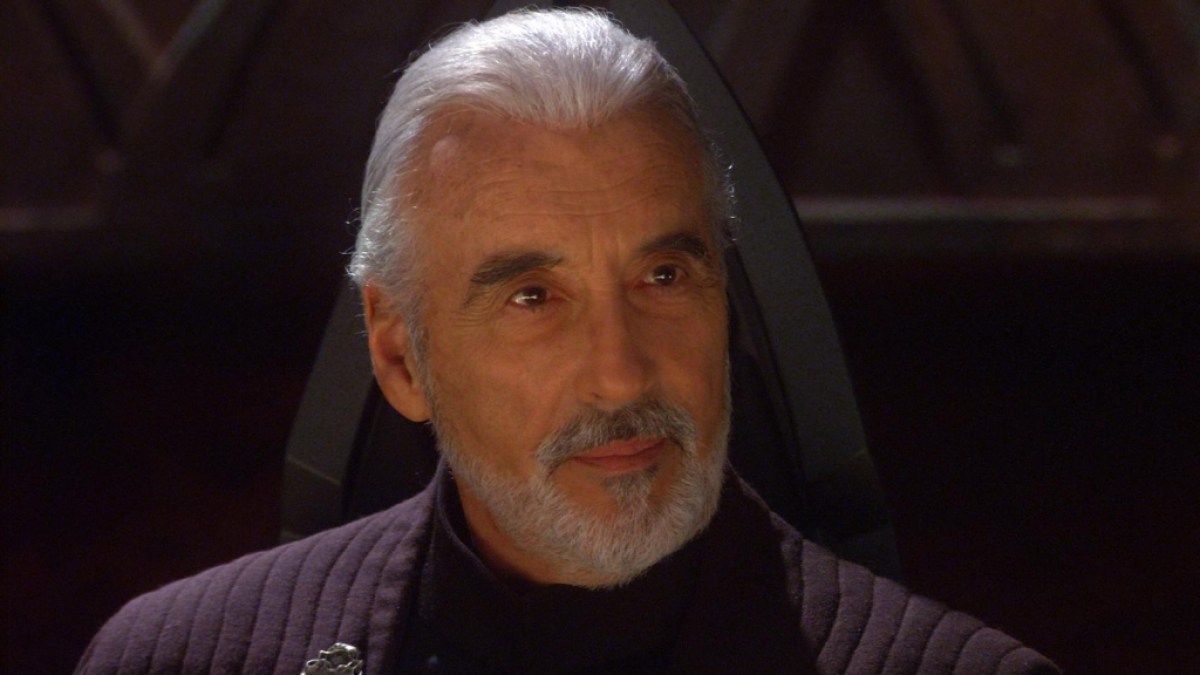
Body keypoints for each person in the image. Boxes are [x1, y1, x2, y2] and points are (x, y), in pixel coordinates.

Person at [76, 8, 1057, 674]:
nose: (621, 376)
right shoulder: (174, 658)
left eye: (662, 277)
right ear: (400, 356)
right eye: (534, 297)